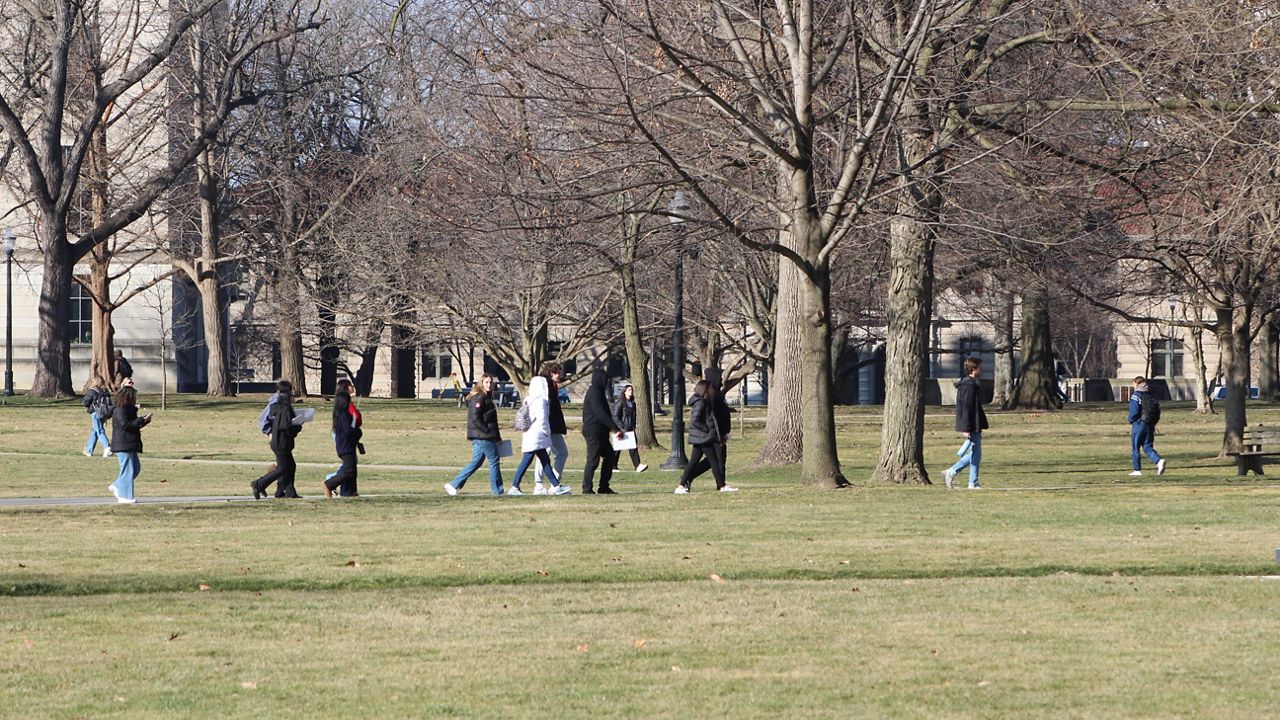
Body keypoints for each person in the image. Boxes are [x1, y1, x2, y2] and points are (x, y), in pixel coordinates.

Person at [508, 376, 572, 495]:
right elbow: (542, 419)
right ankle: (514, 486)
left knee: (545, 461)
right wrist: (546, 432)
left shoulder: (528, 399)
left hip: (530, 434)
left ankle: (556, 486)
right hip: (537, 435)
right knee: (527, 460)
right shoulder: (541, 401)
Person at [445, 373, 505, 496]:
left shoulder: (486, 397)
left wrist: (497, 436)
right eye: (486, 382)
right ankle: (497, 490)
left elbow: (492, 420)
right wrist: (487, 431)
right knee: (494, 460)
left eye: (490, 382)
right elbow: (475, 418)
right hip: (482, 436)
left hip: (484, 435)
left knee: (476, 462)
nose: (489, 385)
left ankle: (454, 484)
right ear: (481, 383)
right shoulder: (479, 398)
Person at [675, 380, 736, 493]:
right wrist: (706, 430)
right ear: (705, 389)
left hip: (701, 437)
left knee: (694, 462)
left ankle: (682, 484)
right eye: (710, 389)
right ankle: (722, 486)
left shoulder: (704, 402)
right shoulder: (701, 403)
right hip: (703, 437)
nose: (712, 391)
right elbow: (695, 420)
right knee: (714, 461)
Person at [250, 380, 303, 500]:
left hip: (282, 441)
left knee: (290, 465)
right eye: (290, 392)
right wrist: (269, 432)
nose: (292, 394)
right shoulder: (279, 404)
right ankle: (258, 484)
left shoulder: (281, 405)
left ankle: (286, 492)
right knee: (282, 468)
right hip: (280, 441)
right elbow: (284, 425)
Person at [942, 357, 989, 490]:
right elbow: (966, 407)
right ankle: (960, 476)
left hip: (974, 424)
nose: (982, 369)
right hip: (971, 425)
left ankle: (970, 480)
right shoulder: (969, 385)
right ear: (974, 369)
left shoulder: (970, 384)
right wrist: (966, 427)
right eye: (979, 367)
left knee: (975, 454)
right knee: (976, 454)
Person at [580, 367, 623, 494]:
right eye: (605, 380)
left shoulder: (599, 393)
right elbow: (600, 414)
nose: (607, 383)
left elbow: (605, 413)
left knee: (609, 457)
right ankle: (587, 488)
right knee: (593, 460)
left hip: (601, 432)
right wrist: (614, 428)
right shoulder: (594, 393)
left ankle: (604, 486)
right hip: (594, 432)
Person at [108, 385, 152, 504]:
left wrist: (144, 422)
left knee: (135, 468)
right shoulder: (120, 410)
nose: (135, 398)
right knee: (128, 470)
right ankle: (125, 497)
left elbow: (133, 425)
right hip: (123, 444)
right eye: (133, 396)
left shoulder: (129, 409)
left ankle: (117, 485)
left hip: (130, 443)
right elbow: (126, 425)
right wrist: (140, 420)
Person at [533, 362, 570, 495]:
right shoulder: (545, 387)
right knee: (544, 454)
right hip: (546, 426)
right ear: (550, 373)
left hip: (553, 426)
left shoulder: (553, 386)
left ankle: (555, 483)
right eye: (557, 372)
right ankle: (539, 484)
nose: (559, 375)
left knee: (562, 453)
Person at [323, 379, 363, 498]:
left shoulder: (341, 414)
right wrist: (358, 431)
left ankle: (349, 492)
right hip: (345, 446)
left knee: (352, 470)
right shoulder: (343, 415)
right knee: (349, 469)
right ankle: (329, 484)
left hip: (347, 445)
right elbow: (348, 431)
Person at [1127, 376, 1166, 477]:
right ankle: (1158, 461)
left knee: (1135, 447)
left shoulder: (1136, 395)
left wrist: (1131, 420)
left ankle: (1137, 470)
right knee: (1147, 446)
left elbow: (1134, 411)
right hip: (1150, 424)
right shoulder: (1149, 395)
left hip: (1139, 424)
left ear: (1136, 383)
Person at [610, 383, 648, 473]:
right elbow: (615, 416)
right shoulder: (620, 403)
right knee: (617, 449)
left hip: (630, 429)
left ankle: (638, 466)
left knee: (633, 448)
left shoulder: (632, 403)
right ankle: (613, 466)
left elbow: (633, 416)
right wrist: (622, 426)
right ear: (624, 392)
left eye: (631, 390)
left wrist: (633, 427)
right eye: (629, 390)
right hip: (621, 429)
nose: (631, 392)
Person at [82, 375, 114, 458]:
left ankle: (107, 447)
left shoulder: (92, 391)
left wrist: (88, 406)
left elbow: (85, 402)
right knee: (95, 431)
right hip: (104, 413)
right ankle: (89, 450)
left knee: (99, 430)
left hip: (95, 413)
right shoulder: (105, 391)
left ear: (95, 382)